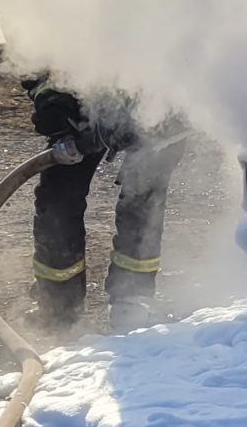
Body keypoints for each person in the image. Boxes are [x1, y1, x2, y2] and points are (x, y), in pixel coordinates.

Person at [23, 79, 186, 329]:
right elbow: (34, 62)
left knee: (143, 196)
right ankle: (59, 303)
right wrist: (51, 100)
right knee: (57, 198)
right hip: (82, 93)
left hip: (159, 100)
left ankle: (132, 298)